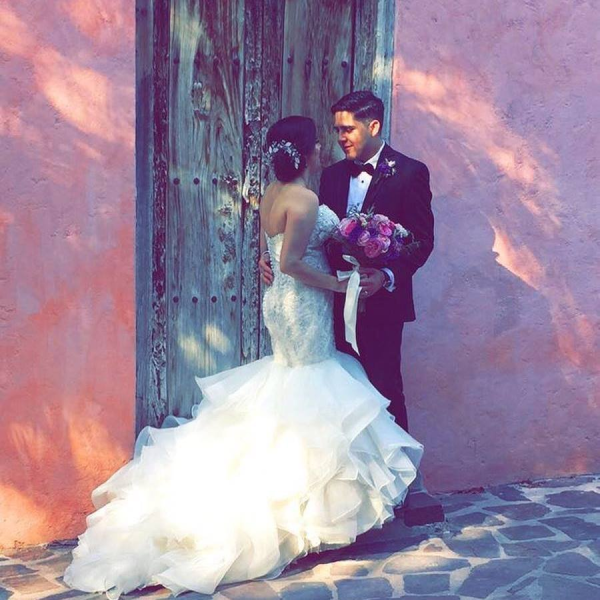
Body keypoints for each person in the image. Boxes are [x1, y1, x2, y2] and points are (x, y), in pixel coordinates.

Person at [64, 116, 423, 599]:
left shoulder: (273, 192)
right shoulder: (305, 198)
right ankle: (301, 512)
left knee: (293, 382)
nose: (324, 149)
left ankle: (306, 508)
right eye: (318, 144)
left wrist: (286, 260)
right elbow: (291, 262)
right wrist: (340, 285)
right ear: (305, 152)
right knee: (310, 385)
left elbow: (274, 251)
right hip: (303, 304)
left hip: (282, 304)